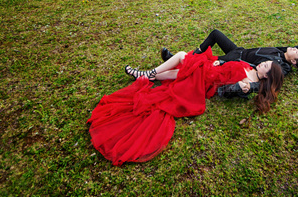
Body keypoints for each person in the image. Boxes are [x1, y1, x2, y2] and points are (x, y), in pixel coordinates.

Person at [87, 47, 283, 165]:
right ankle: (146, 74)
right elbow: (227, 64)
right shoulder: (249, 67)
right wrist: (218, 63)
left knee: (182, 57)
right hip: (210, 70)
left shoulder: (250, 84)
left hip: (208, 81)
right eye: (265, 62)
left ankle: (147, 73)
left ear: (266, 76)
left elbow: (229, 90)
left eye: (266, 66)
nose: (263, 63)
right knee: (181, 72)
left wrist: (241, 88)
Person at [161, 29, 298, 98]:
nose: (294, 48)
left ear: (293, 62)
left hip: (235, 60)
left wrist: (249, 86)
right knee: (215, 34)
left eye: (297, 52)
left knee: (204, 64)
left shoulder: (282, 66)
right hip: (238, 50)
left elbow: (269, 81)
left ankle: (179, 59)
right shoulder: (282, 52)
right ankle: (188, 57)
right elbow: (291, 50)